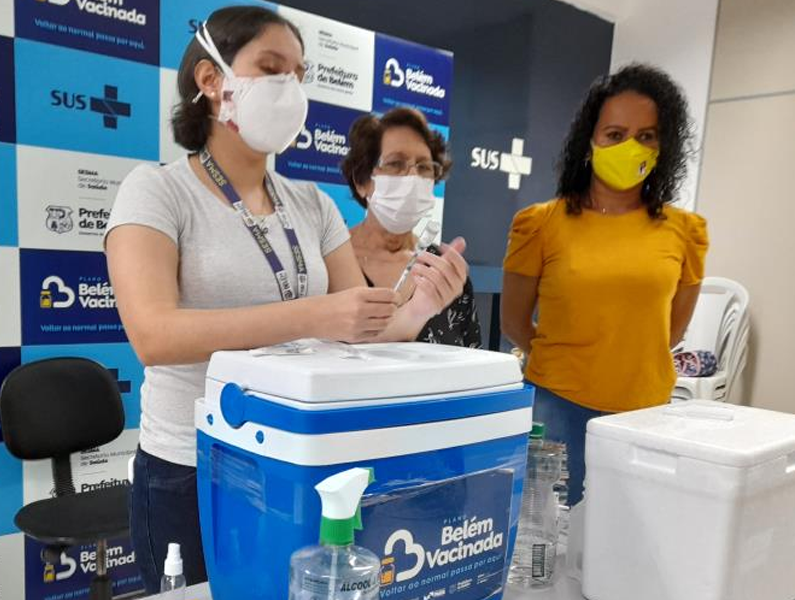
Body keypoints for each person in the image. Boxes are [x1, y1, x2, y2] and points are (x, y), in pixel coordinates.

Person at [103, 6, 468, 593]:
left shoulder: (312, 204)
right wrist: (313, 316)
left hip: (297, 459)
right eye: (273, 69)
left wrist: (421, 306)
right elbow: (154, 335)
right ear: (210, 79)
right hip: (191, 466)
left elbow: (363, 325)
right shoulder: (157, 191)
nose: (291, 89)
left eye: (300, 74)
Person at [500, 64, 708, 506]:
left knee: (630, 531)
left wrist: (625, 360)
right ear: (590, 141)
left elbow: (672, 330)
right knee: (548, 535)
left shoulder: (685, 231)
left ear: (663, 146)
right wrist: (569, 361)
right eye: (615, 134)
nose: (631, 146)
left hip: (646, 412)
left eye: (646, 136)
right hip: (557, 406)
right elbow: (514, 322)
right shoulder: (541, 224)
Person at [341, 108, 482, 347]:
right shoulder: (328, 262)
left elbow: (472, 359)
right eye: (395, 163)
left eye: (424, 167)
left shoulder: (443, 273)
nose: (413, 177)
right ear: (361, 181)